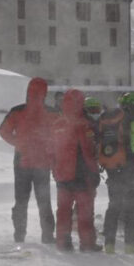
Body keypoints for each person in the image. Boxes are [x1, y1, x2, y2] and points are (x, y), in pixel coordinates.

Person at [0, 77, 57, 244]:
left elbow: (3, 131)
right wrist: (50, 150)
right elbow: (60, 135)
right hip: (42, 163)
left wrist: (18, 143)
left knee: (21, 201)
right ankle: (47, 235)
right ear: (45, 93)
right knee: (44, 201)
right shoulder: (51, 112)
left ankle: (19, 235)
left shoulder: (17, 111)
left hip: (22, 161)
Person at [96, 92, 134, 254]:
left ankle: (109, 244)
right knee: (132, 209)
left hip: (114, 171)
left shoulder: (110, 124)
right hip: (133, 173)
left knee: (113, 207)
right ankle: (130, 245)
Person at [52, 89, 101, 252]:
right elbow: (89, 150)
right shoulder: (85, 123)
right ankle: (87, 244)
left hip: (62, 176)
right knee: (85, 214)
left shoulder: (58, 123)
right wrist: (94, 172)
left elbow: (50, 150)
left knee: (63, 213)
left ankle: (62, 243)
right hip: (82, 176)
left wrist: (55, 170)